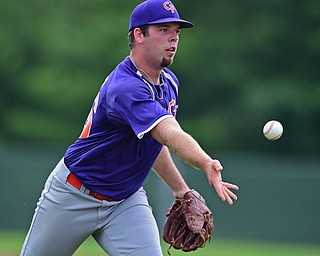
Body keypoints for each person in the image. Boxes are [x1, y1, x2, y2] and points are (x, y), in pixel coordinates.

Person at [20, 0, 239, 255]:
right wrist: (204, 161)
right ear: (139, 35)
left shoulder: (169, 83)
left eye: (176, 31)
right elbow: (168, 132)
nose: (173, 38)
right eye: (164, 30)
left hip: (125, 201)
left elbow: (154, 142)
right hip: (73, 195)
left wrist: (180, 189)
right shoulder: (125, 87)